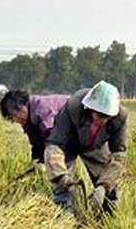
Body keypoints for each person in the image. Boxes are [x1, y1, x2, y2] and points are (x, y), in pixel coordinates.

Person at [44, 80, 128, 214]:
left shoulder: (119, 117)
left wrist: (104, 185)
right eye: (99, 116)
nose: (102, 121)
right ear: (89, 109)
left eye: (107, 117)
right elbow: (54, 144)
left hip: (95, 147)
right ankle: (64, 219)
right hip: (68, 144)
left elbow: (119, 153)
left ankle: (107, 221)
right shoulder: (72, 107)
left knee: (109, 190)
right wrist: (60, 175)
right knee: (61, 188)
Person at [0, 89, 69, 165]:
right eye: (11, 118)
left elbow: (52, 138)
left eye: (13, 115)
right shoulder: (27, 121)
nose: (15, 120)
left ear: (22, 106)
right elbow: (36, 144)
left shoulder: (42, 109)